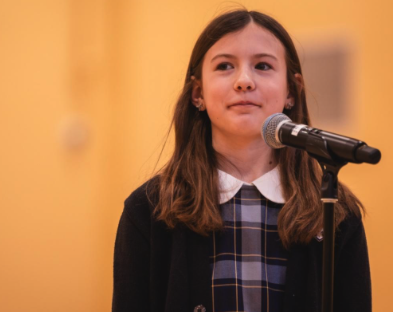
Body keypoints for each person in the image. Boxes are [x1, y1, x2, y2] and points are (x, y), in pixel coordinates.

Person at [112, 9, 371, 312]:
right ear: (198, 93)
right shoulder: (147, 211)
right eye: (224, 66)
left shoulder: (336, 213)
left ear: (291, 91)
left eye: (262, 65)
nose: (244, 81)